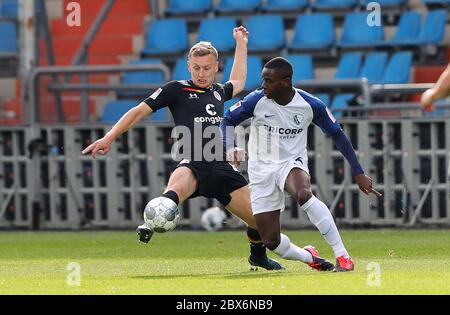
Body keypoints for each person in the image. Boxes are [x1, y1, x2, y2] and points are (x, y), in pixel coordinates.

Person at [81, 27, 283, 271]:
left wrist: (241, 43)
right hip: (193, 162)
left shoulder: (219, 92)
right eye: (196, 68)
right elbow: (138, 112)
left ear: (216, 66)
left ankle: (257, 256)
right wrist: (109, 137)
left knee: (265, 223)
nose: (201, 73)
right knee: (175, 190)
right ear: (189, 66)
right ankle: (151, 220)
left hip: (221, 167)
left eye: (207, 68)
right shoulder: (176, 90)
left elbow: (238, 81)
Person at [220, 57, 382, 271]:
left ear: (286, 82)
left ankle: (343, 256)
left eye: (269, 81)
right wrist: (230, 147)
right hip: (261, 170)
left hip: (291, 162)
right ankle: (310, 257)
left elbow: (337, 134)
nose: (263, 86)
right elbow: (227, 120)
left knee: (303, 193)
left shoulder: (310, 105)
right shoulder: (256, 100)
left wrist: (358, 171)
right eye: (263, 80)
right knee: (271, 242)